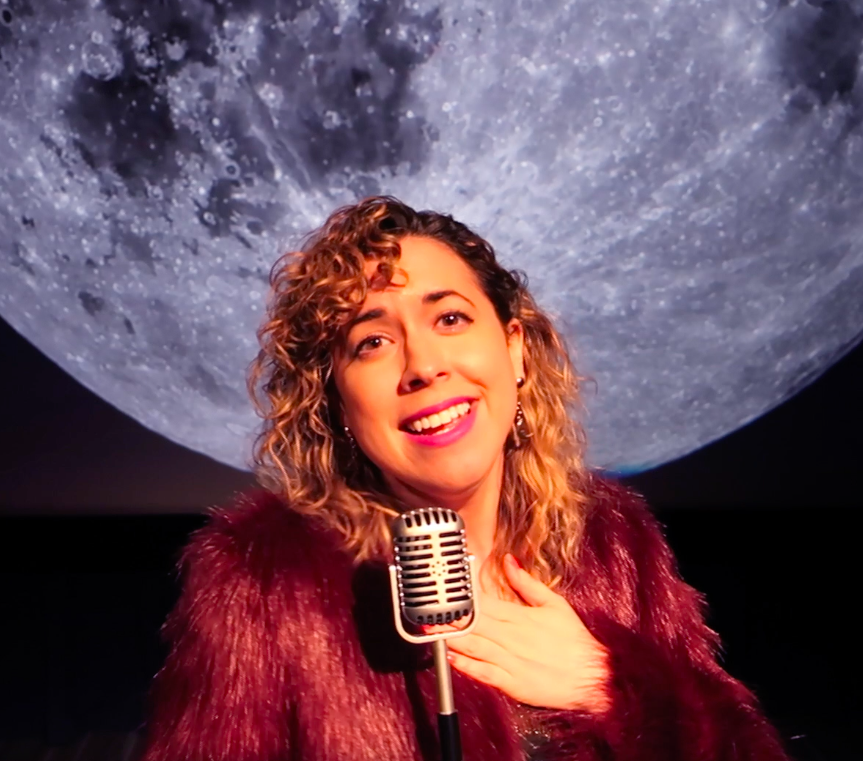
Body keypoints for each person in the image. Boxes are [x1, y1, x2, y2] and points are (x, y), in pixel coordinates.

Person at [142, 196, 788, 761]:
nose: (422, 364)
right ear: (337, 406)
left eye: (449, 318)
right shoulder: (264, 581)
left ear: (513, 349)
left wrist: (611, 686)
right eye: (372, 342)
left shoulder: (617, 542)